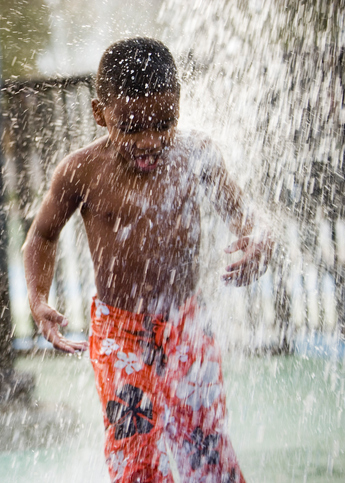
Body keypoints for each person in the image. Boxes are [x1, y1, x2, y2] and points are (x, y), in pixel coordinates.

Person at [23, 38, 273, 482]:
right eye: (132, 127)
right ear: (101, 114)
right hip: (119, 332)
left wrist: (258, 243)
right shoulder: (82, 170)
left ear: (179, 107)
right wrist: (37, 297)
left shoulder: (196, 155)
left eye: (164, 122)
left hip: (185, 325)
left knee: (205, 445)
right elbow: (41, 236)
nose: (150, 140)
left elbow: (247, 218)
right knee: (134, 450)